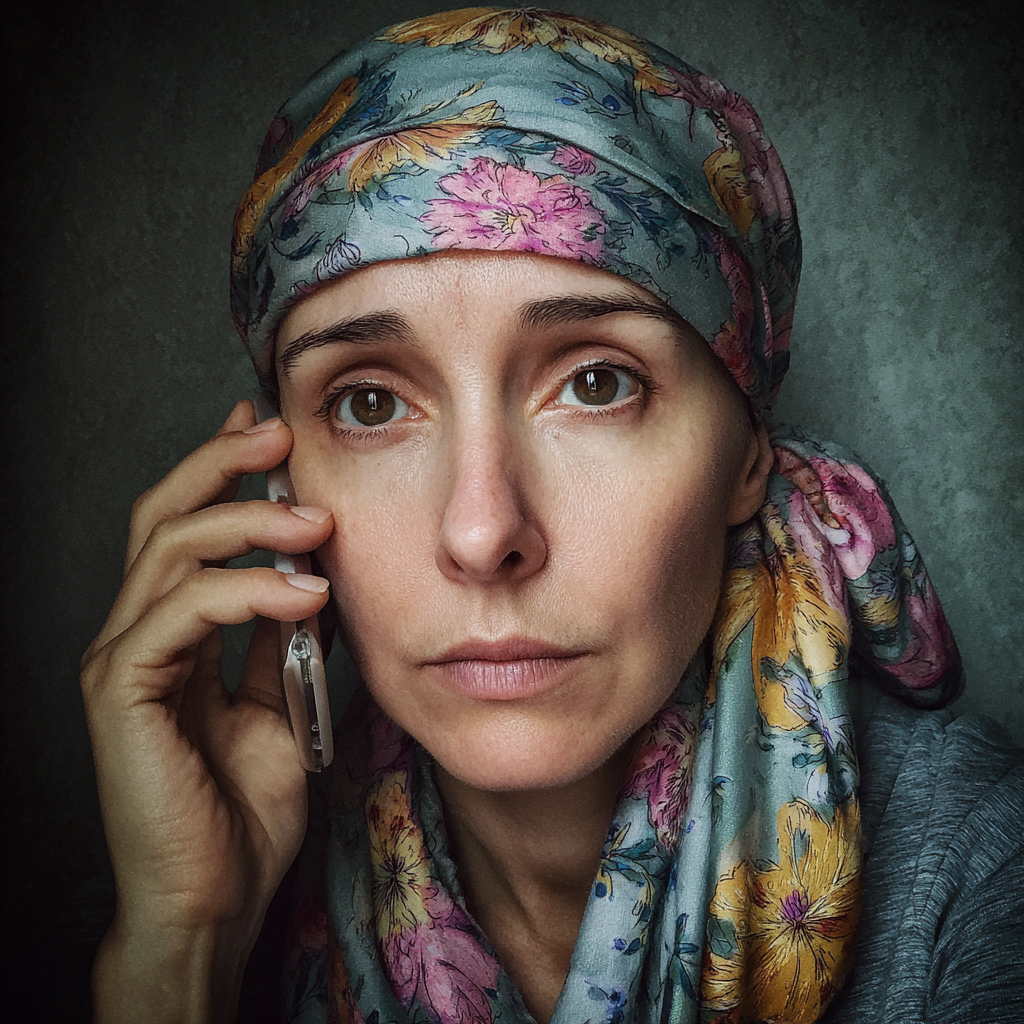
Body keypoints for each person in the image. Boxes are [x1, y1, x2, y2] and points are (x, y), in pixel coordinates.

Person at [80, 8, 1023, 1024]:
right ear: (284, 490)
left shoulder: (974, 879)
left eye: (597, 382)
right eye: (369, 403)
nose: (483, 533)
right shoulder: (244, 897)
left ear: (746, 454)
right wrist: (184, 944)